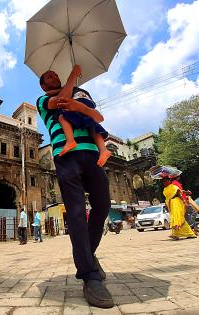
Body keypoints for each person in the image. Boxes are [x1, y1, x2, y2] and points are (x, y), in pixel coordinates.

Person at [37, 69, 113, 308]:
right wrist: (72, 77)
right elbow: (61, 100)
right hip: (66, 156)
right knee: (77, 212)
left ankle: (87, 256)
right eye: (47, 78)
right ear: (42, 86)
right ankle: (89, 275)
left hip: (91, 154)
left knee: (102, 206)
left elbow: (94, 115)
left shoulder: (80, 93)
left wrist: (81, 102)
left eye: (53, 75)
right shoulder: (42, 102)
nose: (52, 78)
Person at [43, 65, 111, 167]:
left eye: (56, 75)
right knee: (91, 124)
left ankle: (70, 140)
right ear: (43, 86)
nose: (55, 78)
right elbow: (60, 97)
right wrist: (74, 76)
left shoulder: (69, 89)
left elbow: (100, 118)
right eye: (50, 77)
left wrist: (74, 74)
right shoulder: (42, 100)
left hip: (91, 151)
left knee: (61, 116)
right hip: (72, 154)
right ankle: (103, 149)